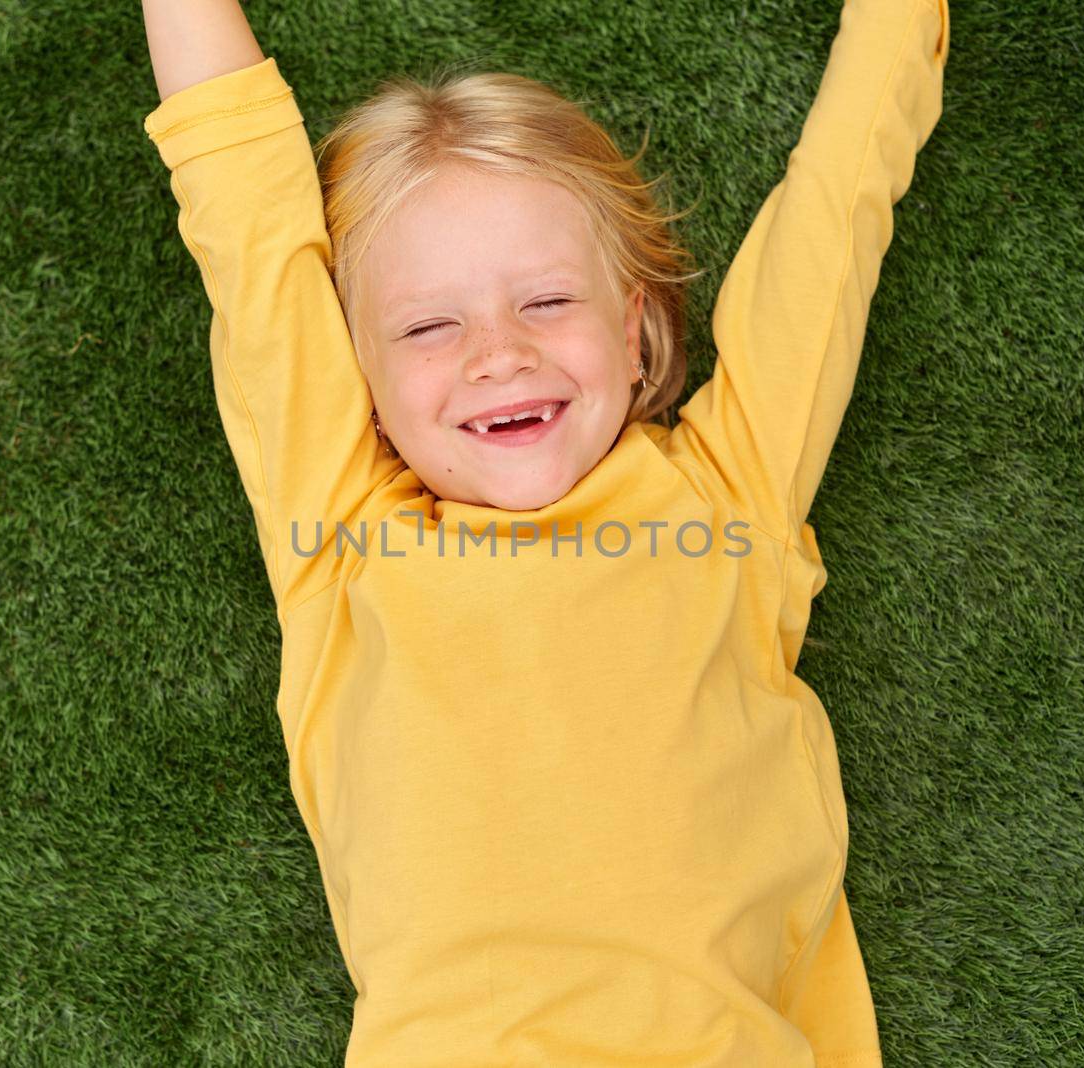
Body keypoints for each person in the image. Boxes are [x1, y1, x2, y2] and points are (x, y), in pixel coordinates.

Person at [140, 0, 948, 1062]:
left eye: (548, 300)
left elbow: (839, 202)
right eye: (430, 325)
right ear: (359, 381)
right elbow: (246, 229)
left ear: (631, 328)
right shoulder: (341, 533)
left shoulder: (727, 494)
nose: (497, 354)